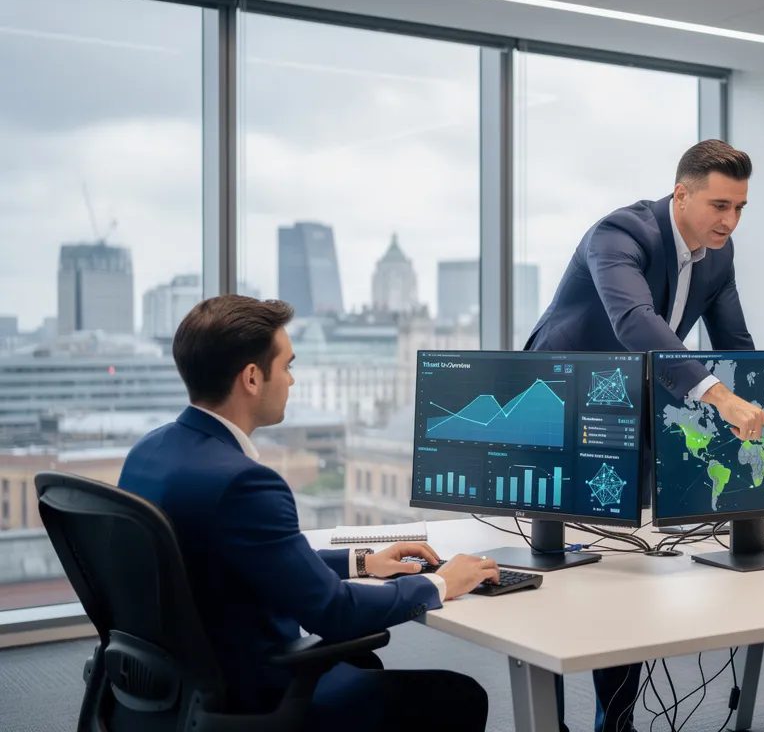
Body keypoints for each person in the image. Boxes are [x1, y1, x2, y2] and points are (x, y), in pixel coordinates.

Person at [119, 295, 498, 732]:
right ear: (252, 378)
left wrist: (363, 561)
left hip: (175, 690)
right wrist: (438, 582)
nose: (292, 381)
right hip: (253, 695)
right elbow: (333, 613)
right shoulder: (244, 483)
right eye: (288, 366)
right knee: (459, 697)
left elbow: (249, 560)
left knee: (362, 662)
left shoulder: (149, 453)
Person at [525, 138, 764, 732]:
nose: (730, 220)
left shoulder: (718, 256)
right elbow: (633, 322)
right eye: (720, 205)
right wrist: (717, 396)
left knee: (620, 557)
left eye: (741, 207)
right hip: (562, 395)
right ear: (681, 193)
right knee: (546, 559)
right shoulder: (620, 234)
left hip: (634, 400)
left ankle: (611, 721)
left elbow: (733, 342)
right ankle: (544, 717)